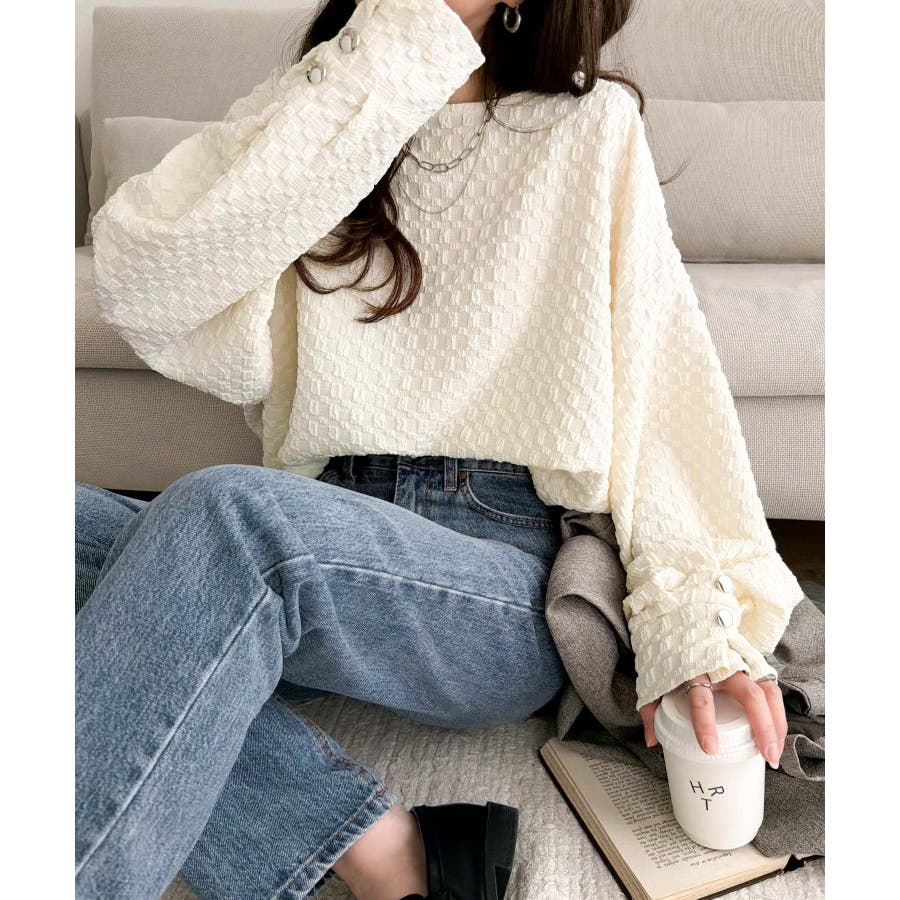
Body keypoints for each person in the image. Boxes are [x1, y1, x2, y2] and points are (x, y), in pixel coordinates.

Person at [76, 1, 803, 898]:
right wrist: (390, 53)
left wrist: (691, 632)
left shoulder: (588, 125)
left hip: (500, 575)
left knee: (226, 519)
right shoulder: (327, 105)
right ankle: (380, 846)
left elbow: (659, 393)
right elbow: (142, 281)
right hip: (326, 532)